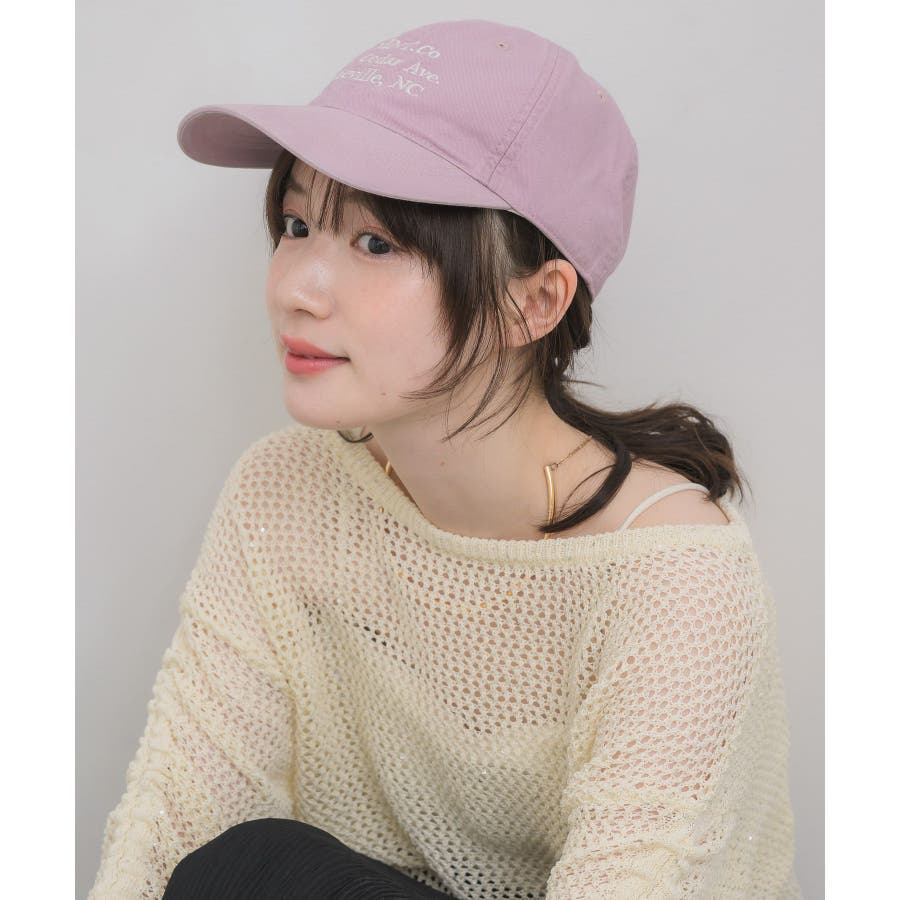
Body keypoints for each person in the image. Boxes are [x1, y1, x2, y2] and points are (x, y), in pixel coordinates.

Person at [88, 17, 802, 899]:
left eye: (376, 243)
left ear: (533, 302)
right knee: (242, 865)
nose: (294, 287)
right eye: (297, 223)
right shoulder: (284, 493)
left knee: (260, 868)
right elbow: (174, 823)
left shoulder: (673, 576)